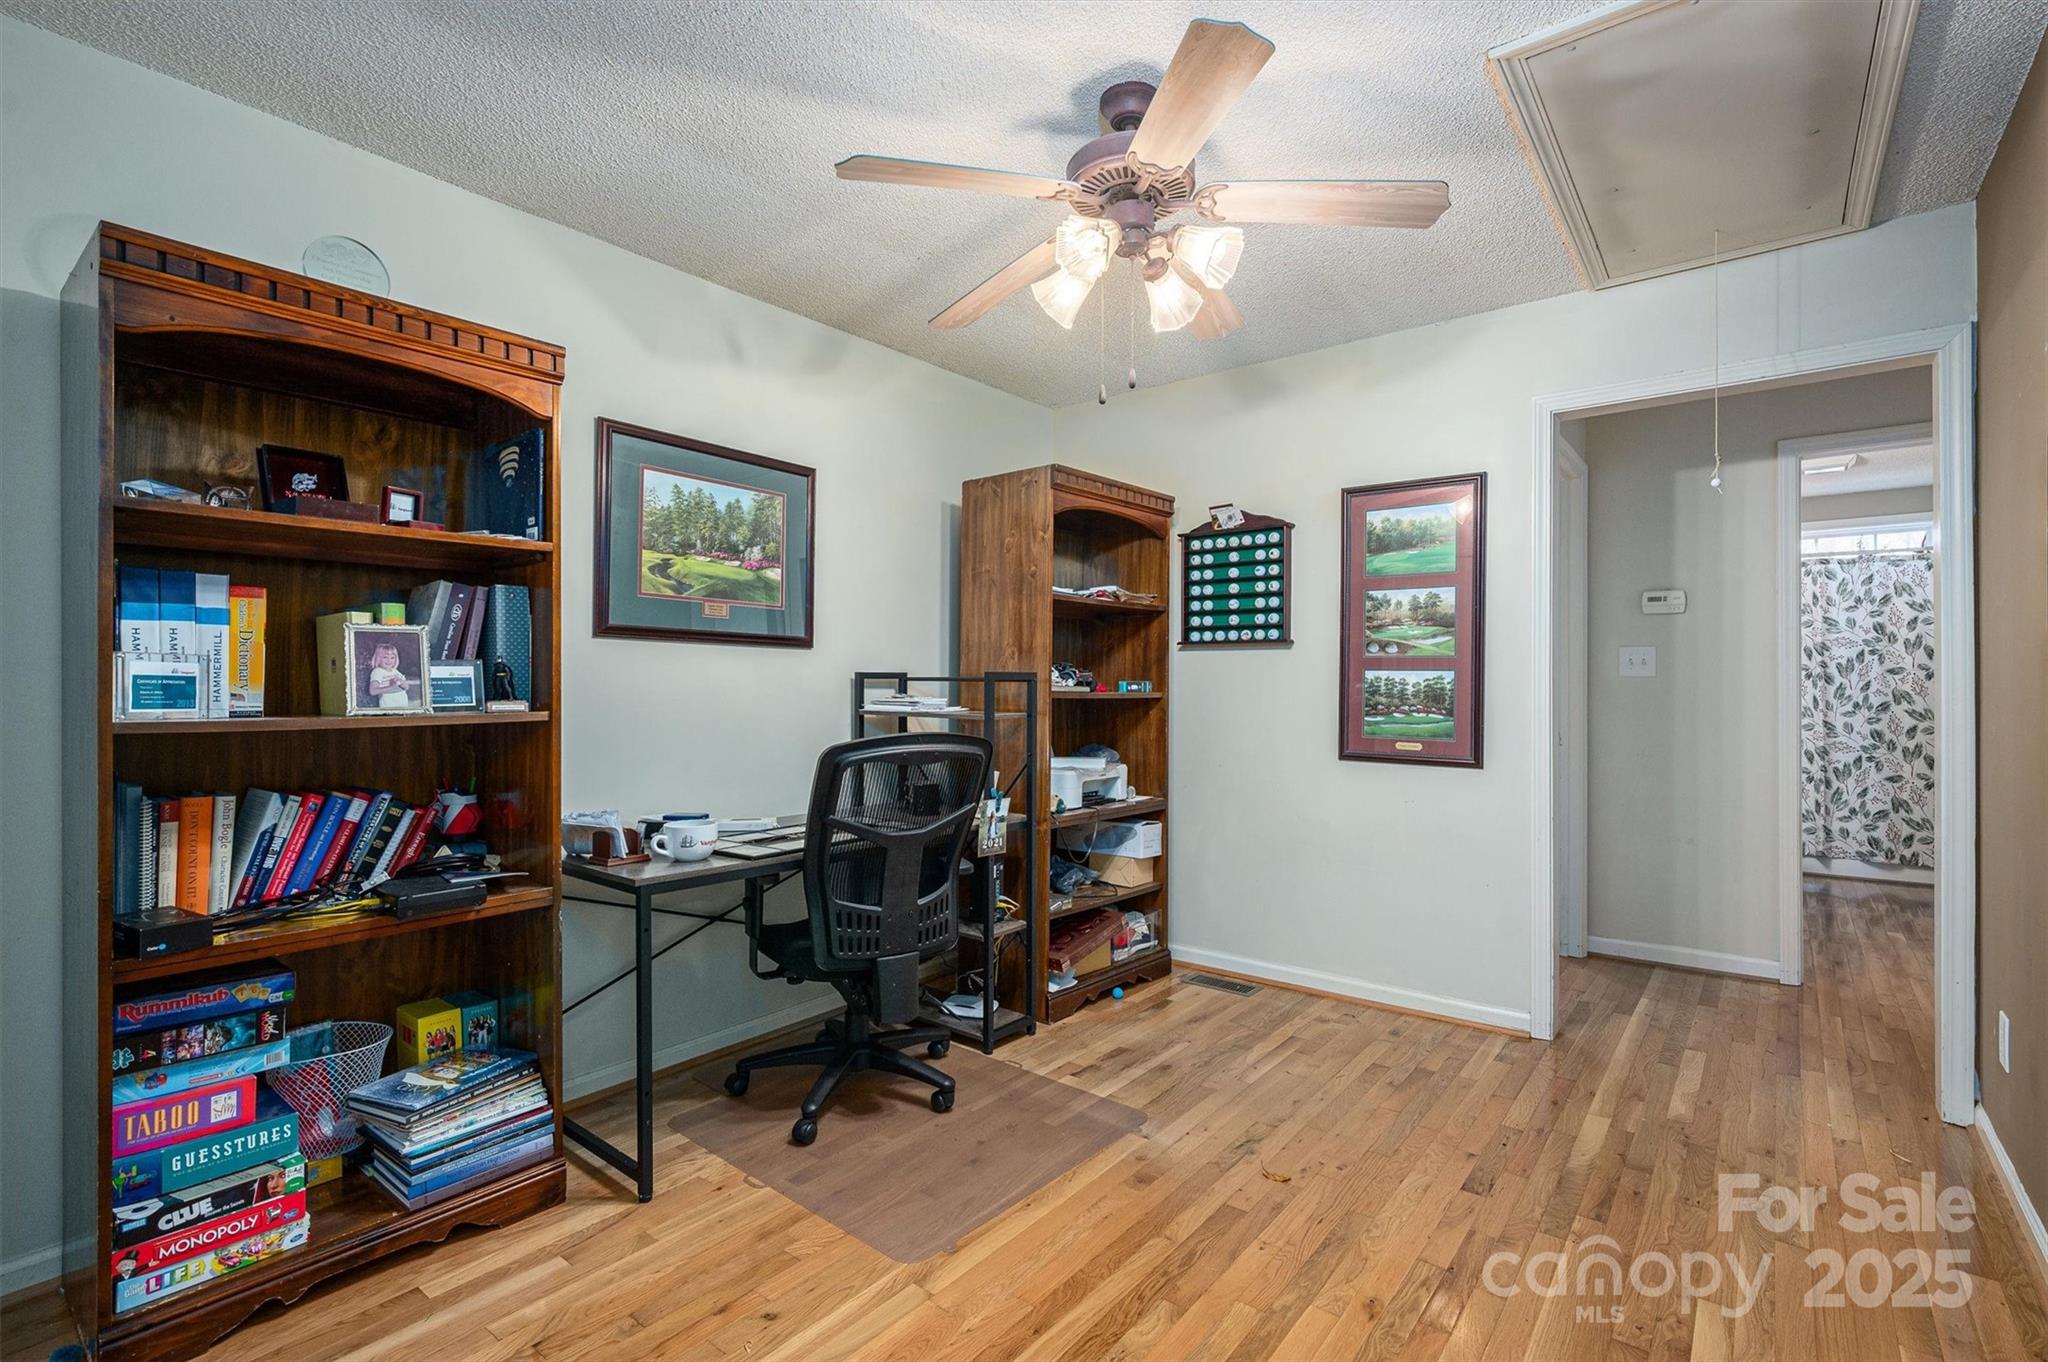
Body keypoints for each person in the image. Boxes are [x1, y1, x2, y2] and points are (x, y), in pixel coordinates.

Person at [366, 639, 413, 709]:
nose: (389, 660)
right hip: (389, 707)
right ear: (378, 658)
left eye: (392, 658)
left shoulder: (395, 671)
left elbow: (406, 687)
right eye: (385, 657)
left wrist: (401, 681)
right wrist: (391, 686)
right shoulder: (377, 671)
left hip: (403, 705)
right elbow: (372, 691)